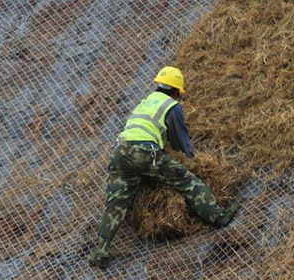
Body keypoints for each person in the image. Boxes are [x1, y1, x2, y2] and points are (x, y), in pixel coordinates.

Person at [89, 66, 237, 269]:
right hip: (145, 153)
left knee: (115, 203)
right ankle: (218, 216)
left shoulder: (145, 102)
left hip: (120, 153)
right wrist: (190, 157)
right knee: (187, 181)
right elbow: (180, 140)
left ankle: (101, 251)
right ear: (176, 91)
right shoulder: (171, 106)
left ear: (159, 85)